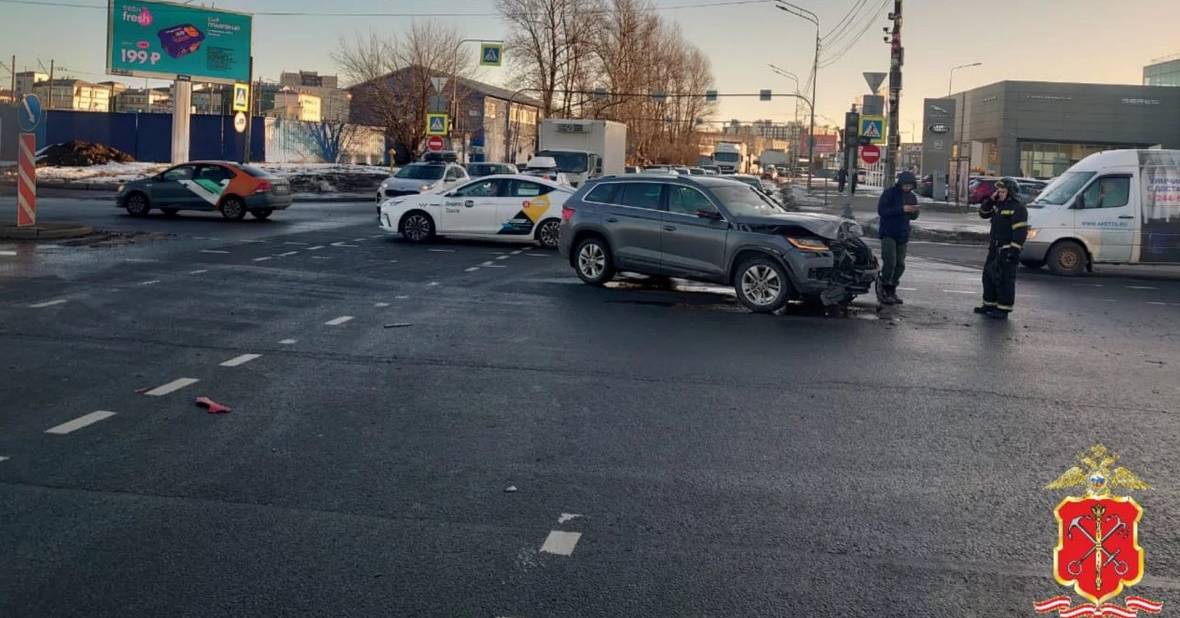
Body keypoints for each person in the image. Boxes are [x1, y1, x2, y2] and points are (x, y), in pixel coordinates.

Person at [975, 177, 1029, 319]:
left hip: (1006, 250)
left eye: (1003, 191)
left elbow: (1020, 232)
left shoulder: (1018, 208)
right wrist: (991, 200)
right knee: (988, 277)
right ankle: (989, 304)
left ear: (1010, 192)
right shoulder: (999, 205)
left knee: (1004, 280)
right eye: (998, 191)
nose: (1000, 194)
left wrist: (1013, 251)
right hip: (994, 248)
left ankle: (1003, 309)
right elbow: (983, 213)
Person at [875, 171, 920, 305]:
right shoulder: (889, 194)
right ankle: (884, 287)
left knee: (900, 264)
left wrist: (914, 211)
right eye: (905, 185)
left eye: (910, 186)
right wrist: (902, 209)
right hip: (888, 232)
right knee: (890, 262)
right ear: (900, 183)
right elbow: (882, 211)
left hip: (903, 233)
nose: (907, 188)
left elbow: (913, 217)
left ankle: (892, 289)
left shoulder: (911, 196)